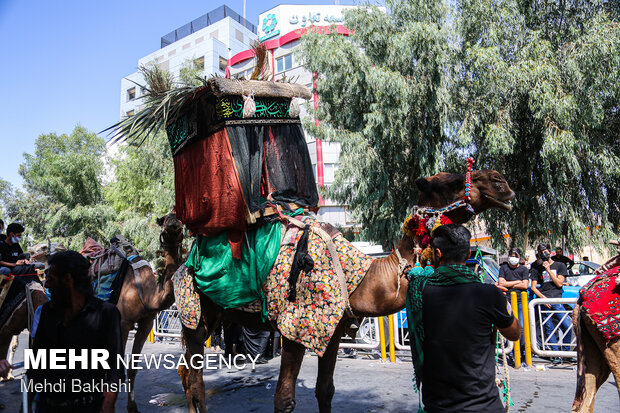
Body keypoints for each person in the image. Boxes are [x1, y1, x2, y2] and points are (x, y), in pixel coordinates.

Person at [407, 224, 520, 412]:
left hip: (438, 405)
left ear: (437, 253)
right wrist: (502, 303)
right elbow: (515, 333)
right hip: (484, 406)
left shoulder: (419, 291)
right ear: (468, 254)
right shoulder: (489, 294)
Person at [28, 251, 124, 413]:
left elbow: (115, 369)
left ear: (68, 279)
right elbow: (36, 365)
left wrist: (108, 405)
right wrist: (27, 405)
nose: (48, 285)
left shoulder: (106, 314)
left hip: (88, 406)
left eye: (51, 279)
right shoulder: (46, 312)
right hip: (47, 406)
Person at [530, 243, 572, 358]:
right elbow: (533, 287)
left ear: (550, 251)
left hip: (557, 300)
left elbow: (559, 283)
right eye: (541, 252)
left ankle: (566, 353)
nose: (543, 253)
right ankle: (555, 355)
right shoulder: (536, 268)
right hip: (544, 302)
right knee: (549, 328)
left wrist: (548, 270)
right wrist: (543, 299)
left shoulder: (560, 265)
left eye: (545, 251)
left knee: (568, 326)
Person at [499, 247, 529, 364]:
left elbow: (525, 285)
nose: (513, 258)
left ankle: (522, 352)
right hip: (508, 301)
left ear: (519, 258)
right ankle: (510, 353)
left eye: (516, 256)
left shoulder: (523, 270)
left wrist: (509, 284)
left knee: (521, 326)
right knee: (508, 326)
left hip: (521, 301)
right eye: (512, 256)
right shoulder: (503, 268)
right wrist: (517, 282)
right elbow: (501, 283)